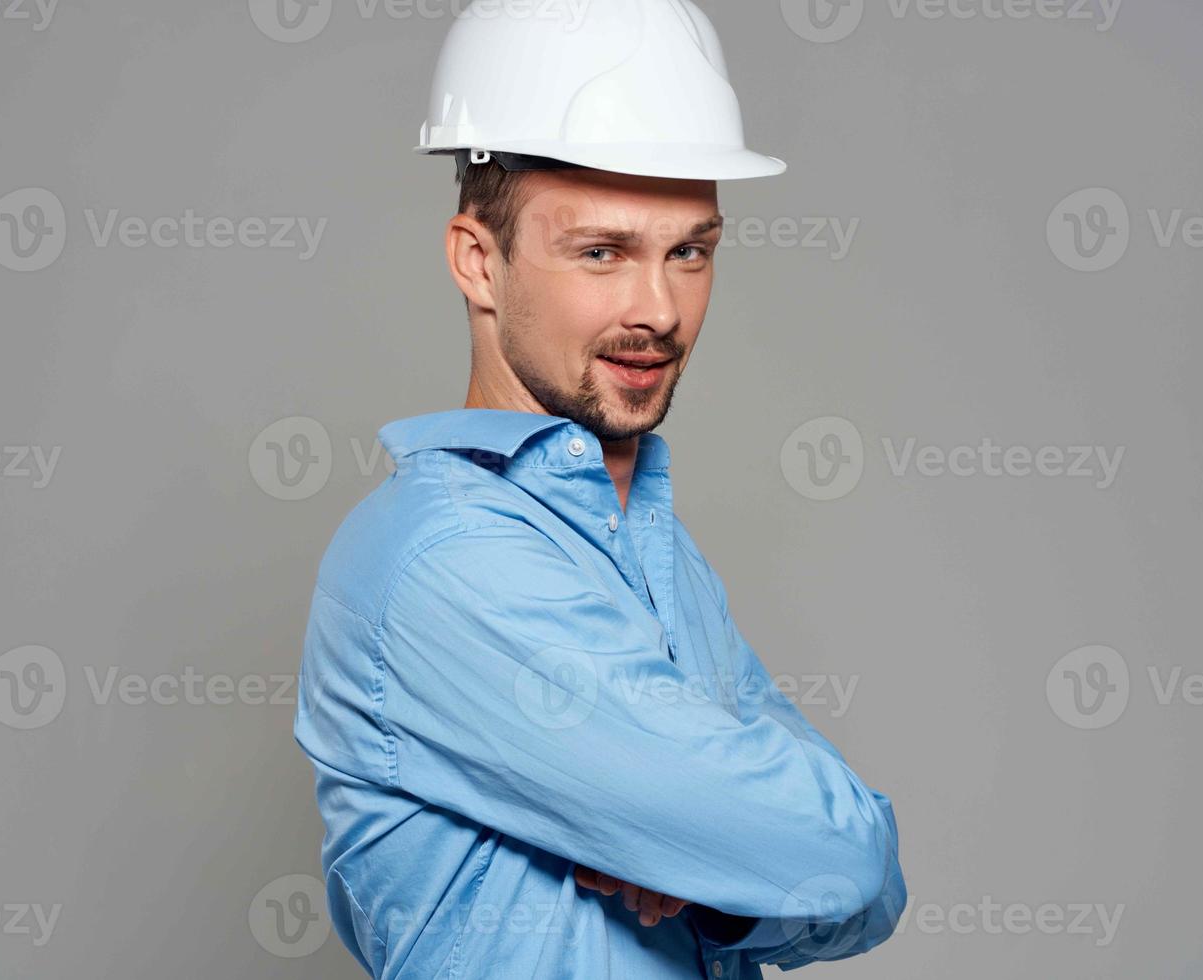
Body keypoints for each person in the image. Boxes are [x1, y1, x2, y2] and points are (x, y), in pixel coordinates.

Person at [293, 2, 907, 976]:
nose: (658, 309)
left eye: (689, 250)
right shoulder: (441, 561)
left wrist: (718, 873)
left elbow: (871, 882)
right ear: (477, 260)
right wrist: (745, 844)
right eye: (601, 251)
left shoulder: (657, 549)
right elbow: (838, 846)